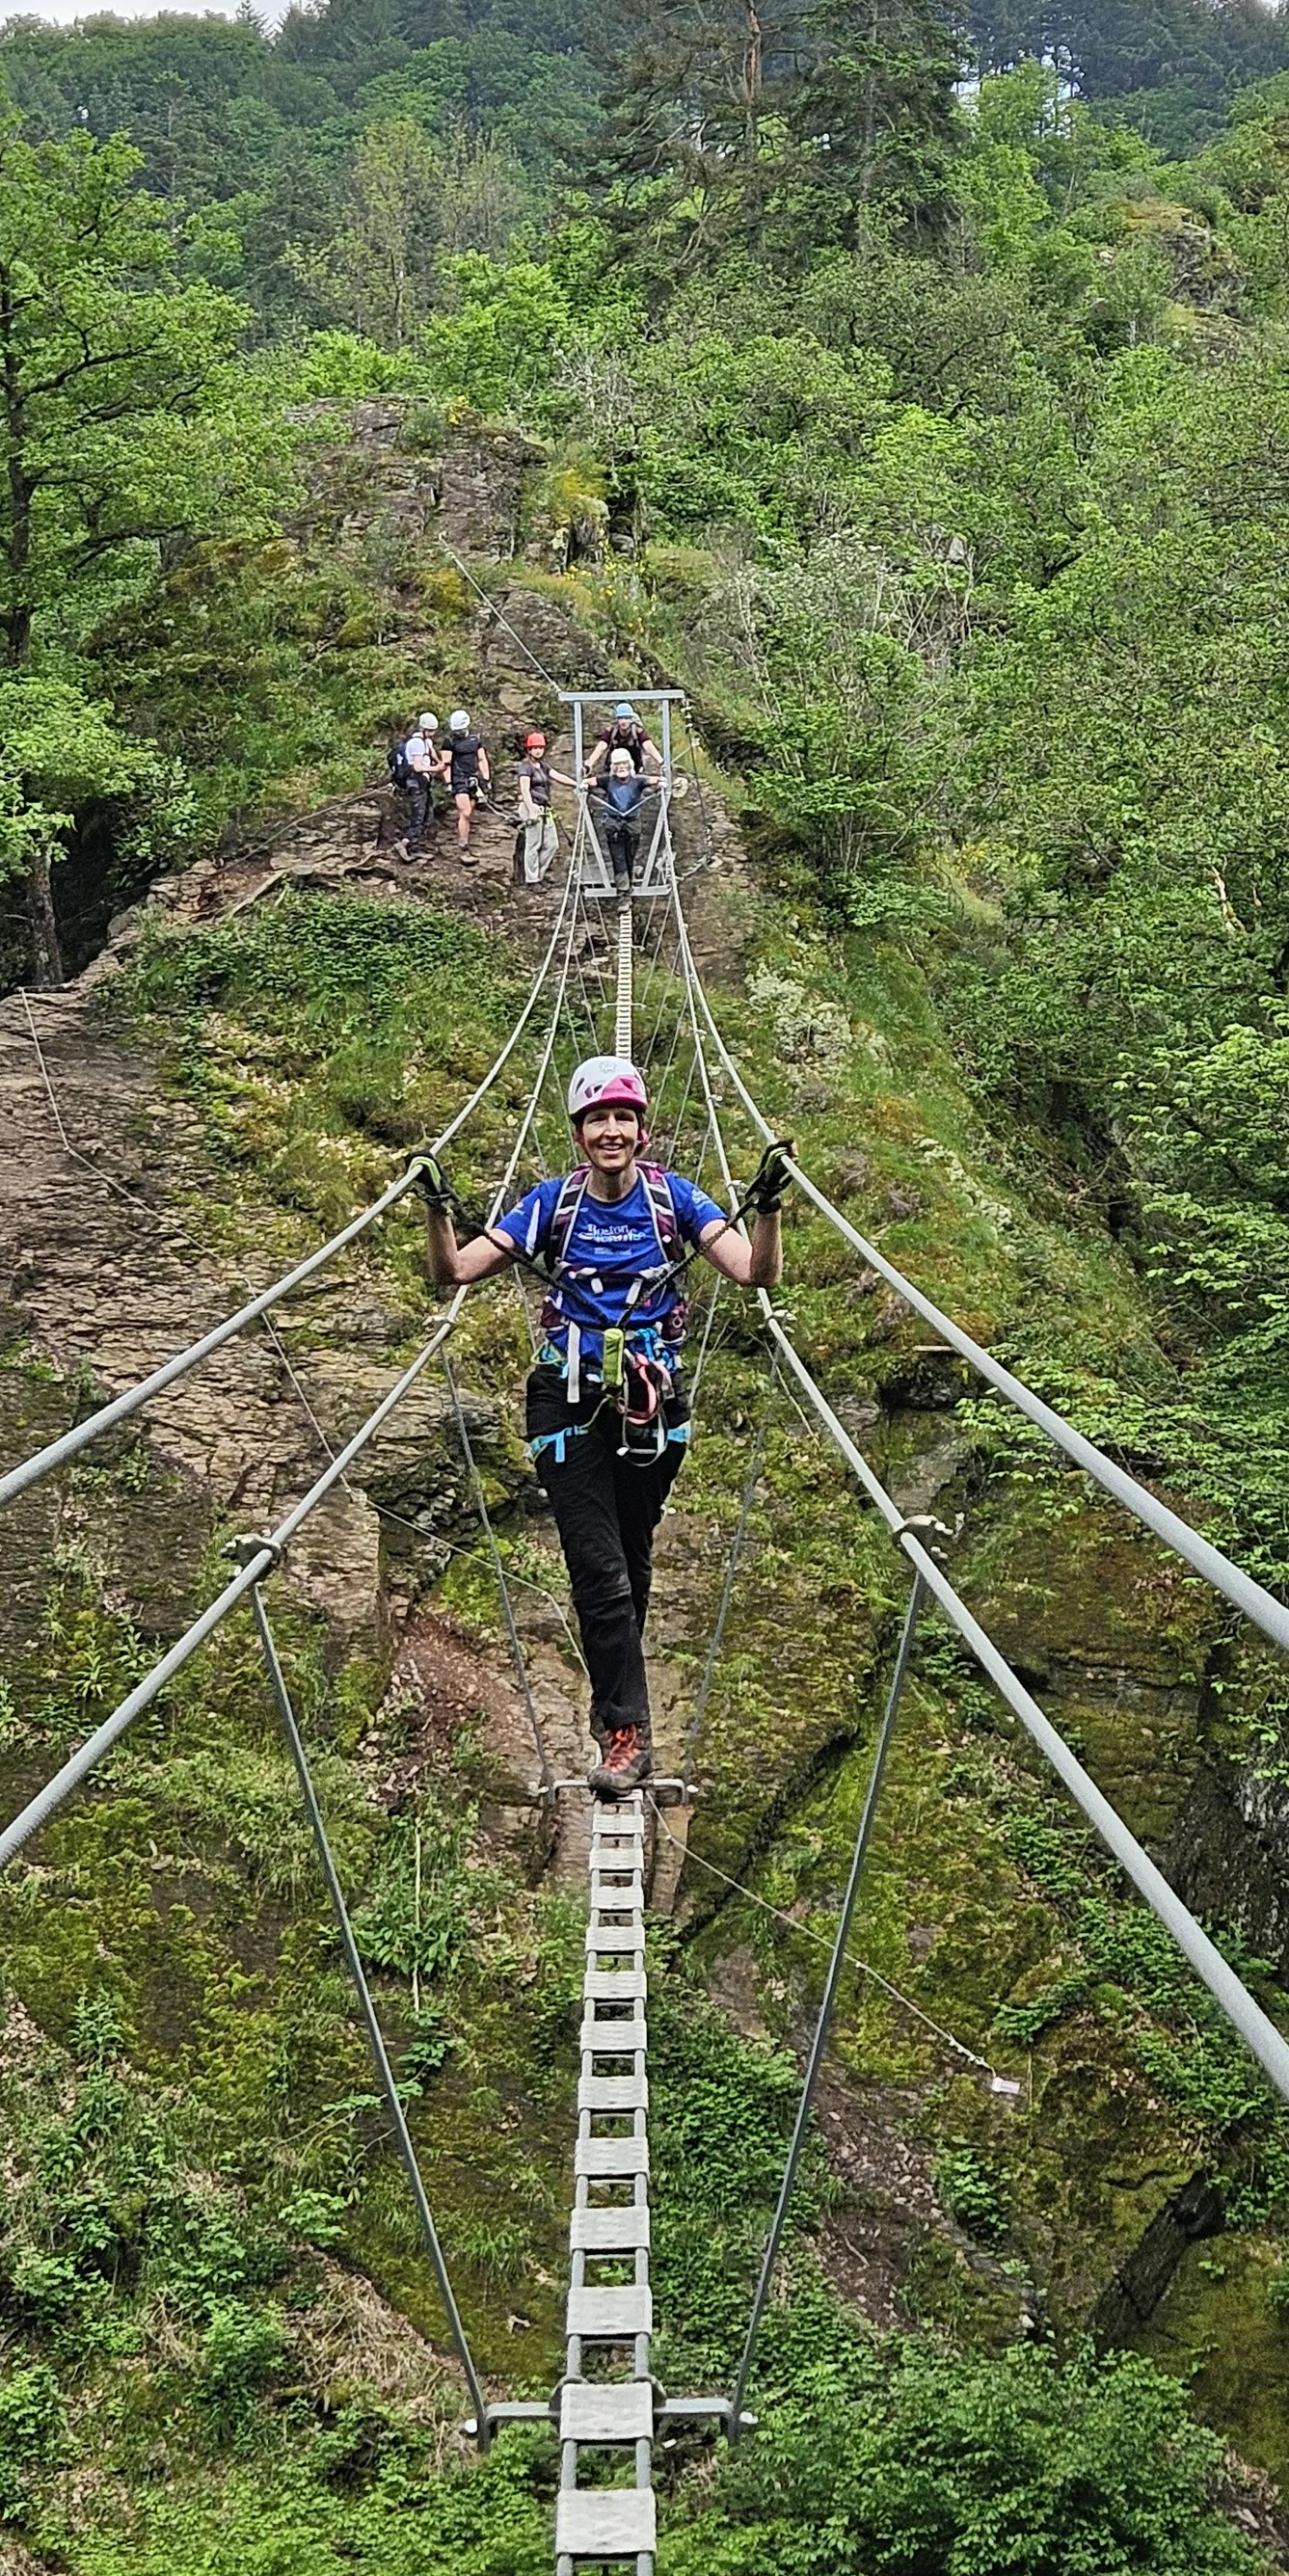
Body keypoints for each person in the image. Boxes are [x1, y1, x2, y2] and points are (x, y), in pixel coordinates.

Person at [416, 1058, 788, 1799]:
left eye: (623, 1118)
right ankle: (624, 1733)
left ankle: (618, 1706)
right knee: (601, 1568)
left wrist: (770, 1207)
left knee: (631, 1564)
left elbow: (755, 1273)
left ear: (642, 1132)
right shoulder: (551, 1206)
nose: (611, 1130)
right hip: (567, 1402)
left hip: (650, 1401)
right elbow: (453, 1272)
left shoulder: (674, 1200)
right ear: (580, 1134)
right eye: (597, 1119)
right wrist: (434, 1208)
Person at [583, 703, 663, 897]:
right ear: (617, 720)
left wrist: (661, 762)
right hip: (614, 774)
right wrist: (588, 765)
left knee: (631, 800)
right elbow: (601, 748)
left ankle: (627, 880)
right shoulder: (611, 733)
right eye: (621, 718)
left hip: (634, 773)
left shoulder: (638, 732)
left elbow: (648, 747)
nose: (624, 722)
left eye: (627, 718)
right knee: (614, 799)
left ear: (631, 719)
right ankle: (624, 887)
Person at [440, 709, 492, 868]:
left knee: (469, 813)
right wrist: (449, 783)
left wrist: (486, 778)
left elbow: (481, 759)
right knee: (465, 811)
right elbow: (446, 764)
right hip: (458, 780)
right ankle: (463, 845)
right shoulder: (449, 741)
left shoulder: (475, 739)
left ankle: (465, 840)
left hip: (473, 780)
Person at [512, 730, 558, 887]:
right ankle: (532, 879)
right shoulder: (525, 768)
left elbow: (557, 775)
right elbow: (525, 789)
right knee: (534, 844)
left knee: (552, 844)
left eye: (541, 747)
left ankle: (539, 874)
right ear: (529, 749)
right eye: (535, 747)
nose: (538, 750)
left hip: (545, 808)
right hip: (532, 807)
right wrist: (531, 808)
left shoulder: (543, 766)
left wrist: (577, 783)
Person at [396, 712, 440, 861]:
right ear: (423, 729)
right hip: (416, 781)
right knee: (418, 815)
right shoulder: (416, 743)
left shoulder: (426, 742)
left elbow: (433, 755)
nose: (433, 734)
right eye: (431, 731)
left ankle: (410, 842)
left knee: (427, 814)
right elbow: (418, 767)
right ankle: (413, 847)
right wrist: (437, 769)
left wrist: (440, 762)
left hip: (424, 782)